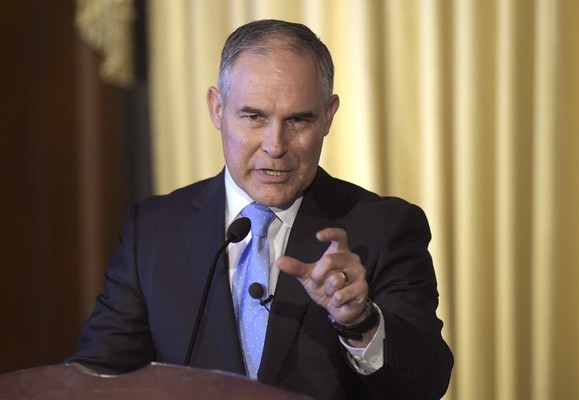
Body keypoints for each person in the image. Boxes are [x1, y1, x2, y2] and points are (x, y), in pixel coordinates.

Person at [66, 19, 453, 399]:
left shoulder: (383, 229)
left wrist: (360, 321)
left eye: (298, 120)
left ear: (328, 116)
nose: (275, 145)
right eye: (254, 117)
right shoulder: (154, 231)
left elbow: (425, 383)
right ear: (217, 108)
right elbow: (96, 376)